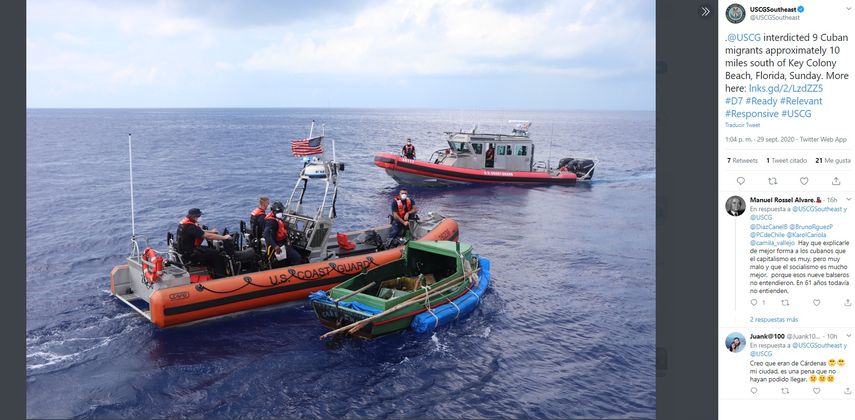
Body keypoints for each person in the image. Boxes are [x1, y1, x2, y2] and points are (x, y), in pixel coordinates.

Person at [175, 208, 232, 277]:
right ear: (194, 217)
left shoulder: (184, 224)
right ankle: (221, 277)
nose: (199, 218)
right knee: (216, 254)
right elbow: (208, 236)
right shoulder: (190, 226)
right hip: (190, 254)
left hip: (185, 251)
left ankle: (213, 273)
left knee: (209, 250)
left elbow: (199, 231)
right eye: (198, 216)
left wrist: (211, 231)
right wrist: (224, 237)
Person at [263, 201, 302, 268]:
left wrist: (287, 239)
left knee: (292, 252)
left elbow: (283, 231)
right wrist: (275, 246)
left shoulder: (277, 219)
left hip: (281, 243)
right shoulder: (271, 222)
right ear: (274, 212)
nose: (280, 213)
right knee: (297, 258)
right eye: (279, 212)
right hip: (278, 246)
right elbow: (266, 235)